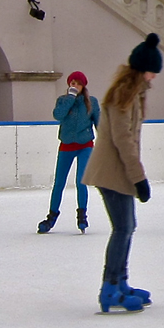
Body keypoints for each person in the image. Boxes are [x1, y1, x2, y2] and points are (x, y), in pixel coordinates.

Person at [82, 32, 162, 314]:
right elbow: (123, 139)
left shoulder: (134, 93)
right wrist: (139, 177)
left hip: (119, 172)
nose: (154, 78)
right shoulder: (123, 95)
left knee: (127, 228)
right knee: (123, 228)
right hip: (111, 173)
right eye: (153, 72)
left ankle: (121, 282)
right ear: (144, 69)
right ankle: (110, 288)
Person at [37, 71, 100, 234]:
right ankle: (51, 216)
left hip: (85, 145)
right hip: (66, 146)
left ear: (83, 86)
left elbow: (99, 123)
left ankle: (82, 215)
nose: (75, 86)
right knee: (59, 183)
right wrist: (70, 98)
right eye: (72, 83)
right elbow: (58, 115)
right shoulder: (63, 101)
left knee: (81, 181)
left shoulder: (91, 102)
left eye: (78, 84)